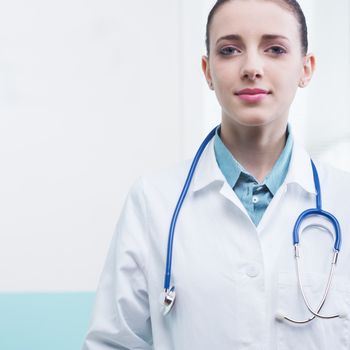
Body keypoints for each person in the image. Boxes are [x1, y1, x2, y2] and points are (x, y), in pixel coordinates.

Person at [82, 0, 350, 349]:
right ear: (207, 71)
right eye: (229, 49)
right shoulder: (154, 201)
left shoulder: (343, 199)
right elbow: (112, 343)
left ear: (306, 68)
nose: (252, 67)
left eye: (275, 49)